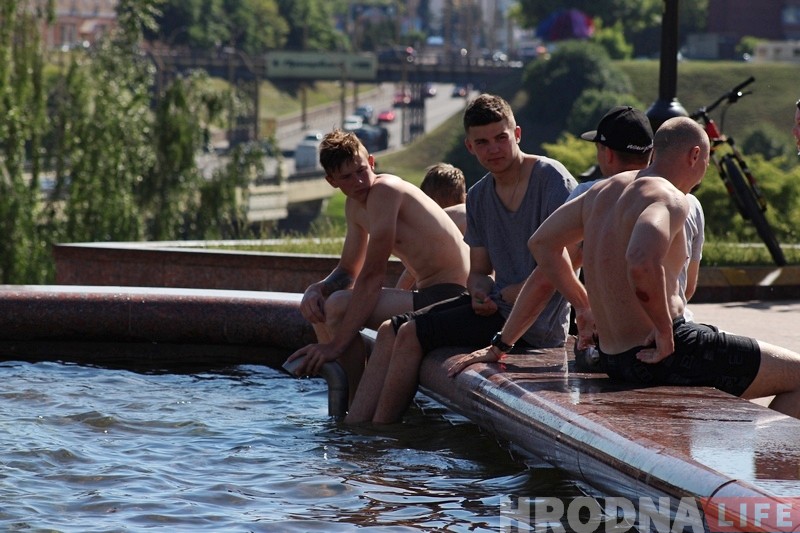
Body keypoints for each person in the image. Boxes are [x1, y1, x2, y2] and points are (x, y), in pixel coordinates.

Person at [525, 116, 800, 419]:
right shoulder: (670, 197)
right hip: (666, 352)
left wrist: (583, 305)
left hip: (612, 356)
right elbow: (641, 260)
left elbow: (541, 243)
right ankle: (773, 450)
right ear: (695, 155)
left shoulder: (603, 191)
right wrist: (664, 330)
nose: (706, 168)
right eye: (707, 160)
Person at [344, 93, 577, 424]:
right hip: (496, 309)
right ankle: (355, 428)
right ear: (470, 147)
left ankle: (381, 435)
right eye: (482, 142)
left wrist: (511, 292)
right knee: (388, 330)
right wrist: (479, 291)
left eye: (501, 138)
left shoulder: (551, 178)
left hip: (536, 326)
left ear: (517, 134)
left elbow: (571, 259)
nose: (493, 149)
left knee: (410, 334)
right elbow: (478, 271)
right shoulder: (480, 195)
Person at [285, 129, 470, 400]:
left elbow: (372, 276)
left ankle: (358, 400)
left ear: (371, 162)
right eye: (347, 177)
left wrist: (336, 346)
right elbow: (349, 270)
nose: (359, 181)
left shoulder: (384, 190)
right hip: (430, 293)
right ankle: (350, 397)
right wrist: (317, 289)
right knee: (322, 304)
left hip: (454, 297)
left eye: (361, 170)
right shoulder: (354, 207)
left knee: (338, 306)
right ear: (331, 181)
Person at [396, 162, 468, 290]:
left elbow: (409, 274)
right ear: (464, 195)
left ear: (429, 202)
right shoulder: (470, 212)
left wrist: (398, 292)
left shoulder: (441, 221)